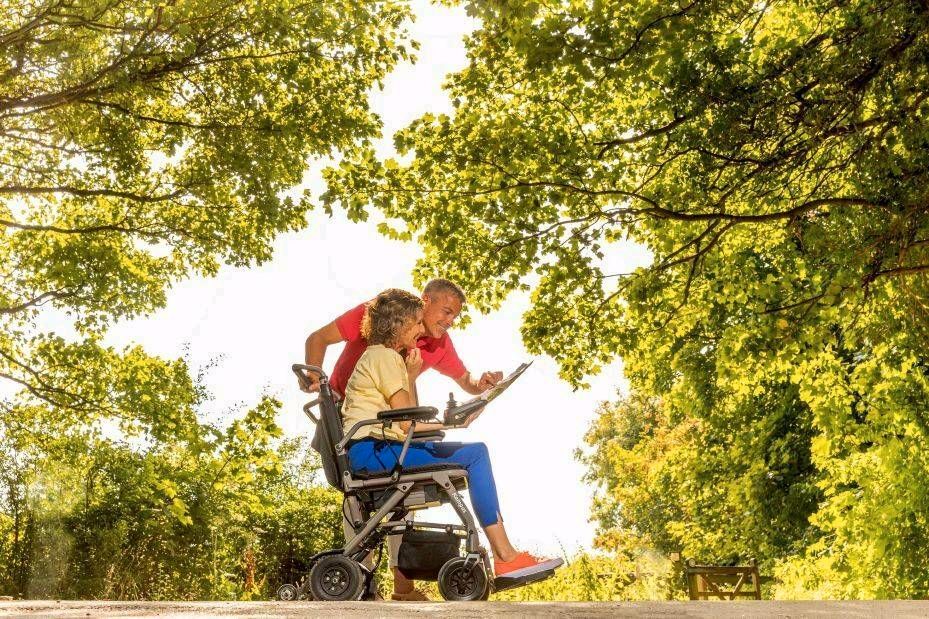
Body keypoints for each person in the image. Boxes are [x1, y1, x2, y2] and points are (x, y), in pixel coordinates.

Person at [302, 278, 503, 600]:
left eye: (455, 317)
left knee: (401, 494)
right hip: (350, 418)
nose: (449, 322)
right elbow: (318, 338)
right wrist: (315, 377)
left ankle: (402, 585)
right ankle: (361, 583)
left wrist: (481, 385)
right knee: (359, 496)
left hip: (391, 422)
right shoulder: (381, 314)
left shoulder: (437, 342)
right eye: (446, 312)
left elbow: (465, 379)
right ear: (424, 302)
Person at [341, 288, 554, 581]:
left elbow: (403, 420)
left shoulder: (378, 356)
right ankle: (505, 557)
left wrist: (426, 392)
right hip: (374, 452)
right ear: (399, 324)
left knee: (469, 453)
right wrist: (454, 423)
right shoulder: (387, 359)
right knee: (476, 454)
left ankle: (504, 555)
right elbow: (406, 424)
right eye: (416, 323)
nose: (420, 330)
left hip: (372, 449)